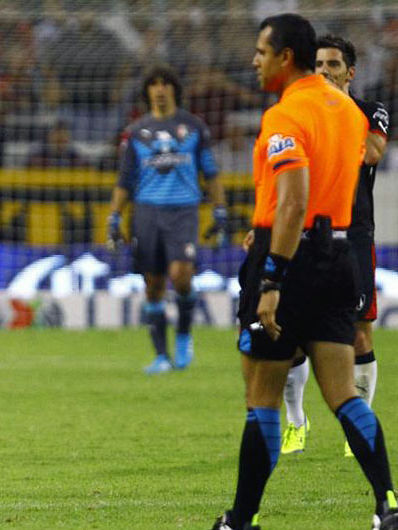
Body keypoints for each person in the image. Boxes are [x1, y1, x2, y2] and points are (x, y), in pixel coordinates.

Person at [212, 15, 398, 530]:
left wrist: (271, 276)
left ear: (284, 57)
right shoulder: (349, 113)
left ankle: (240, 520)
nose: (255, 61)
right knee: (342, 393)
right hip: (338, 254)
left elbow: (294, 200)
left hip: (289, 258)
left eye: (262, 51)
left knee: (262, 397)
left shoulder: (285, 114)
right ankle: (387, 504)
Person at [279, 34, 390, 457]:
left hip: (354, 234)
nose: (324, 71)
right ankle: (296, 422)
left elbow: (373, 153)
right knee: (289, 336)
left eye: (333, 65)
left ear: (350, 72)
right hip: (305, 233)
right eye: (319, 65)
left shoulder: (370, 111)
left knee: (360, 334)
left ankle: (356, 428)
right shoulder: (299, 112)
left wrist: (335, 110)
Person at [106, 64, 227, 374]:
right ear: (147, 91)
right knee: (154, 284)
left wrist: (220, 210)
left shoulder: (194, 128)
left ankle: (184, 335)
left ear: (174, 88)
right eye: (154, 84)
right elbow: (125, 180)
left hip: (183, 211)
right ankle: (161, 356)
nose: (160, 89)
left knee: (181, 275)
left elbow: (211, 173)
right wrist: (114, 216)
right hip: (146, 212)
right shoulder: (136, 132)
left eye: (165, 83)